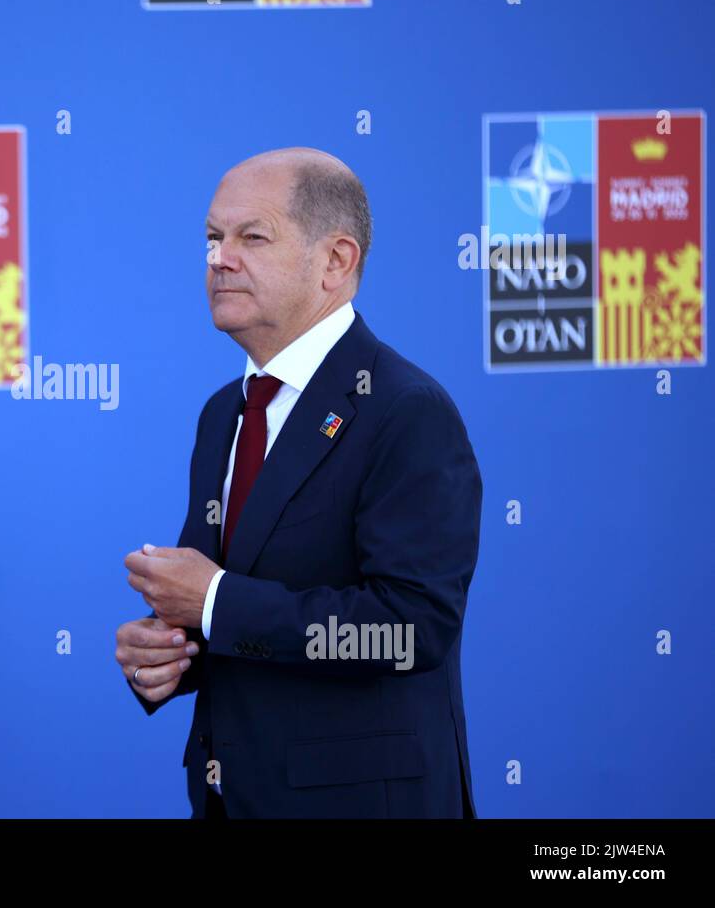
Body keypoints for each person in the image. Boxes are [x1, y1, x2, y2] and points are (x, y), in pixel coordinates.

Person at [116, 148, 482, 818]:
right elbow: (220, 609)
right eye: (212, 238)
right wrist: (165, 654)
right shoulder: (224, 410)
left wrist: (217, 602)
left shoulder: (405, 410)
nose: (219, 259)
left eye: (251, 237)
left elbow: (408, 631)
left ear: (336, 262)